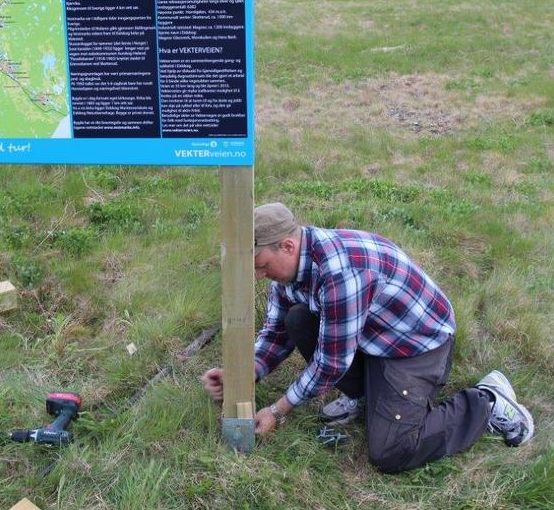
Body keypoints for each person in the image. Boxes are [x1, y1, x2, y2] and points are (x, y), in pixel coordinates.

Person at [202, 202, 534, 473]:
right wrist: (245, 374)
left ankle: (486, 402)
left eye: (261, 265)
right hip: (374, 335)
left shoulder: (339, 272)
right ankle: (367, 397)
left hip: (416, 347)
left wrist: (276, 409)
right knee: (297, 319)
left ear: (287, 246)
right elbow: (275, 331)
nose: (259, 276)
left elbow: (331, 363)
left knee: (392, 450)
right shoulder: (290, 269)